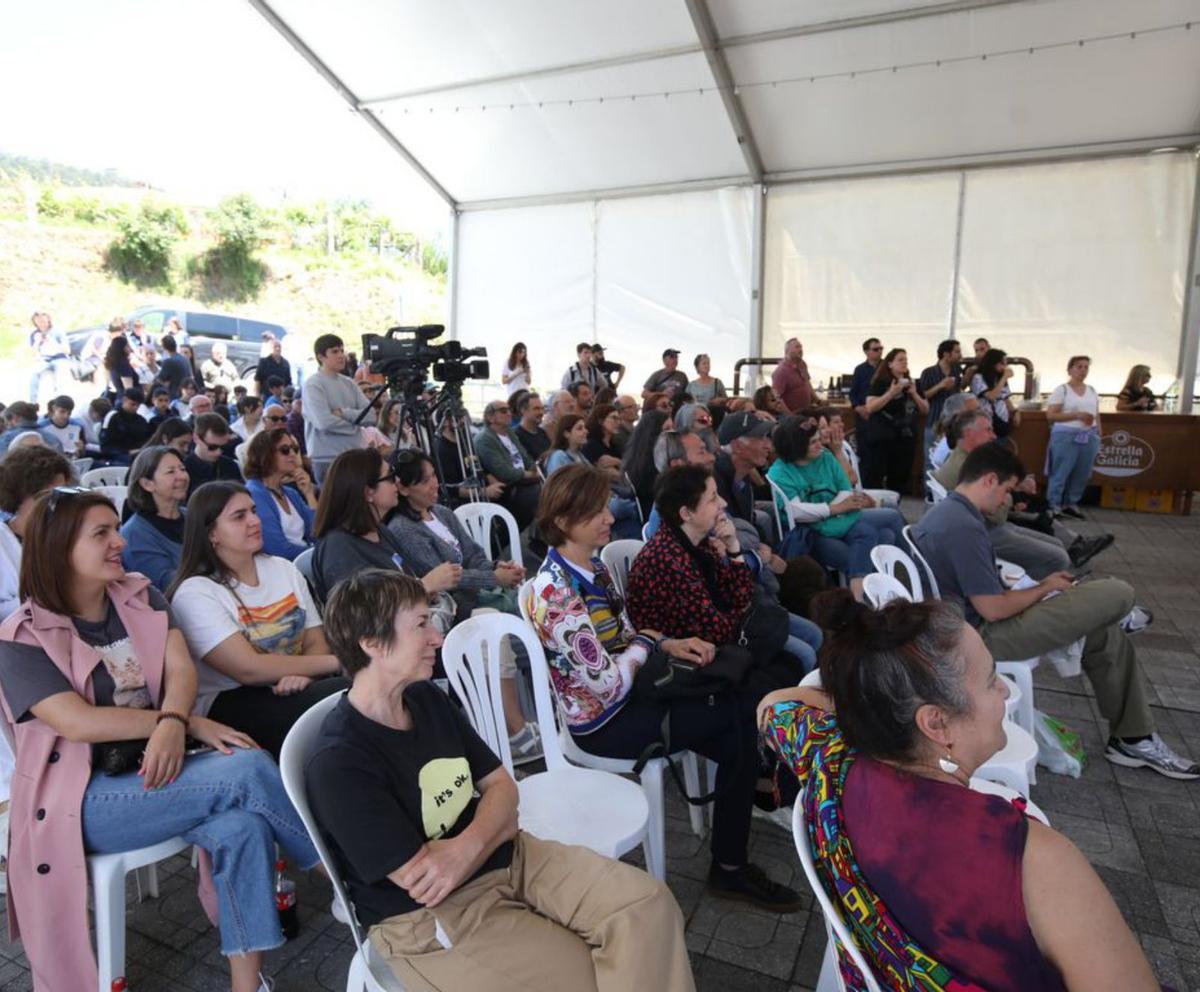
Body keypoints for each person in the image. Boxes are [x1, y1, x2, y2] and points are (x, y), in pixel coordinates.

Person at [758, 591, 1171, 992]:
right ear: (936, 724)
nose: (1006, 692)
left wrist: (870, 700)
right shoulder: (1032, 861)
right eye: (992, 681)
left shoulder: (830, 764)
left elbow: (773, 707)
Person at [305, 569, 695, 992]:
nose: (437, 636)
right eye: (420, 624)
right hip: (426, 922)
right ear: (373, 644)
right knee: (583, 974)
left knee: (648, 907)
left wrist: (468, 843)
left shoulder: (425, 698)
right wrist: (494, 824)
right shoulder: (339, 762)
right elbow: (425, 880)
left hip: (512, 858)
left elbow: (503, 787)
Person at [0, 486, 319, 992]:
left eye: (114, 529)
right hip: (81, 799)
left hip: (160, 764)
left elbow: (180, 668)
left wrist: (173, 719)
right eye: (100, 534)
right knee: (247, 767)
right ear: (60, 547)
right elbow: (77, 722)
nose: (118, 543)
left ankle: (248, 986)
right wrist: (181, 722)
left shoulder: (139, 594)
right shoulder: (22, 636)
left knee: (242, 826)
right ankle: (347, 876)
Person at [526, 465, 803, 911]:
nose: (609, 518)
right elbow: (609, 684)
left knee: (738, 725)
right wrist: (649, 642)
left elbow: (625, 632)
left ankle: (733, 859)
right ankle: (733, 860)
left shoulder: (589, 567)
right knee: (738, 716)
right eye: (595, 511)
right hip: (604, 723)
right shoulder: (555, 595)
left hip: (630, 695)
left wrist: (668, 642)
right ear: (561, 522)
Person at [913, 444, 1196, 778]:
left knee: (1102, 633)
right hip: (983, 637)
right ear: (990, 480)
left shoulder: (949, 514)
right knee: (1119, 591)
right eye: (1006, 490)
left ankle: (1134, 737)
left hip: (967, 627)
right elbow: (992, 609)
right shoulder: (963, 526)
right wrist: (1043, 589)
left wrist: (1034, 589)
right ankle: (1118, 611)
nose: (1006, 500)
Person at [168, 482, 347, 759]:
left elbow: (315, 638)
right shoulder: (195, 593)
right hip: (231, 701)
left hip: (294, 685)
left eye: (253, 511)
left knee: (358, 695)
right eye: (239, 517)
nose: (254, 520)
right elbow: (248, 669)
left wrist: (305, 673)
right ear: (211, 533)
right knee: (345, 695)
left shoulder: (283, 569)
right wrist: (342, 661)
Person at [386, 449, 541, 761]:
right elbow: (446, 577)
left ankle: (539, 705)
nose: (434, 485)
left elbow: (472, 554)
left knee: (535, 607)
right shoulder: (403, 529)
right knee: (516, 623)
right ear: (403, 488)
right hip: (460, 605)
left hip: (481, 591)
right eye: (425, 480)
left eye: (433, 477)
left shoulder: (442, 513)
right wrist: (493, 578)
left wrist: (500, 569)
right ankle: (518, 724)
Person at [628, 465, 822, 674]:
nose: (723, 503)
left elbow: (741, 596)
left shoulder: (699, 542)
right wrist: (740, 610)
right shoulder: (667, 560)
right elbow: (716, 632)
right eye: (712, 499)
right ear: (686, 513)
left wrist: (733, 547)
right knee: (805, 654)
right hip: (693, 657)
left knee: (813, 634)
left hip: (730, 626)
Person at [935, 410, 1112, 575]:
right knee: (1058, 557)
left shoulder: (967, 460)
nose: (994, 436)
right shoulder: (969, 468)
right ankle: (1034, 596)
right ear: (969, 434)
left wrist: (1009, 491)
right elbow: (997, 516)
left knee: (1058, 544)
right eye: (988, 430)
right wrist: (1012, 495)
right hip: (980, 533)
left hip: (980, 525)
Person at [768, 416, 906, 601]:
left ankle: (870, 593)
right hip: (812, 530)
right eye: (813, 442)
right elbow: (797, 512)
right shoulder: (780, 472)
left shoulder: (825, 457)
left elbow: (845, 488)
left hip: (839, 519)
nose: (820, 444)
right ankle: (876, 591)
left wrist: (835, 509)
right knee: (882, 535)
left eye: (818, 439)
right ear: (796, 446)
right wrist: (836, 508)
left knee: (886, 527)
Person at [0, 446, 72, 621]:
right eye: (46, 496)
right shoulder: (3, 542)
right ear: (18, 496)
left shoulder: (66, 533)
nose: (56, 504)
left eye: (61, 495)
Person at [303, 334, 371, 483]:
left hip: (355, 455)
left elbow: (371, 416)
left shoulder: (349, 383)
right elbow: (323, 422)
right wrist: (355, 424)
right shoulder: (313, 384)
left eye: (342, 350)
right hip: (328, 459)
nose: (341, 355)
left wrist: (344, 413)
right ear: (321, 357)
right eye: (334, 352)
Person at [858, 347, 928, 494]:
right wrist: (891, 393)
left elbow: (925, 409)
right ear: (890, 364)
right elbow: (870, 407)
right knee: (874, 478)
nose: (904, 363)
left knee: (899, 480)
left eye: (906, 360)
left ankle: (895, 507)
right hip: (882, 438)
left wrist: (914, 394)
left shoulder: (912, 383)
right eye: (900, 360)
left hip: (905, 438)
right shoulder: (880, 382)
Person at [120, 446, 189, 591]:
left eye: (182, 469)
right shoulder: (135, 535)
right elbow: (165, 585)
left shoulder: (193, 517)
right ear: (147, 484)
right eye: (171, 472)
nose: (182, 476)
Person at [243, 428, 316, 560]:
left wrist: (309, 493)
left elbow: (316, 532)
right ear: (266, 454)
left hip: (307, 559)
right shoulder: (254, 494)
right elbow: (278, 549)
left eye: (294, 449)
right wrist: (319, 553)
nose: (293, 454)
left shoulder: (290, 493)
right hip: (285, 567)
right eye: (285, 450)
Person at [472, 399, 542, 532]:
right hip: (509, 489)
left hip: (525, 481)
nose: (509, 413)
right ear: (490, 417)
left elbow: (526, 458)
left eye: (509, 410)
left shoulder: (510, 433)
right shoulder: (484, 439)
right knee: (542, 494)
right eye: (503, 411)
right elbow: (505, 473)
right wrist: (532, 474)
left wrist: (534, 469)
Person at [1045, 355, 1101, 520]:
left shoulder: (1091, 390)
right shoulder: (1062, 390)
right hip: (1066, 435)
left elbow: (1096, 413)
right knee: (1061, 470)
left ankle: (1071, 502)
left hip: (1089, 435)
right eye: (1079, 367)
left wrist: (1098, 433)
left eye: (1086, 367)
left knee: (1082, 472)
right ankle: (1053, 503)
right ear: (1070, 370)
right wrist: (1075, 415)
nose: (1083, 370)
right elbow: (1051, 415)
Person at [620, 408, 671, 519]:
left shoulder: (636, 459)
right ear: (654, 432)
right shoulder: (647, 467)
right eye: (667, 429)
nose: (672, 433)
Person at [917, 338, 963, 453]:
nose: (960, 355)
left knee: (952, 457)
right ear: (946, 354)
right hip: (934, 421)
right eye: (956, 352)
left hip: (953, 423)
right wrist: (940, 386)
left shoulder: (957, 370)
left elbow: (959, 390)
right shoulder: (928, 372)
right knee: (931, 457)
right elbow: (923, 395)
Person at [184, 412, 244, 498]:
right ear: (196, 438)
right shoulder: (185, 469)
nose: (218, 452)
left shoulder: (230, 465)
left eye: (224, 447)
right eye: (212, 447)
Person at [972, 347, 1019, 443]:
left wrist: (1014, 412)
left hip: (1002, 421)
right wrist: (1004, 377)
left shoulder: (1000, 379)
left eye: (1006, 364)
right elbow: (991, 396)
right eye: (1002, 363)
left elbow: (1005, 398)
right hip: (985, 422)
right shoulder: (978, 378)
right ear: (993, 363)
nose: (1004, 367)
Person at [100, 388, 153, 464]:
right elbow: (105, 446)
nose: (135, 408)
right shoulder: (112, 417)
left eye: (138, 405)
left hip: (139, 453)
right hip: (117, 456)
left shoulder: (140, 420)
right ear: (124, 400)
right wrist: (127, 452)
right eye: (133, 404)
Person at [27, 312, 71, 405]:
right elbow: (33, 353)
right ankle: (33, 403)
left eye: (43, 321)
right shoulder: (34, 334)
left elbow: (67, 350)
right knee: (34, 375)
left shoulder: (57, 332)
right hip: (44, 359)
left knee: (60, 378)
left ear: (48, 320)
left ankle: (60, 403)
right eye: (38, 321)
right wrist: (37, 342)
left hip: (60, 358)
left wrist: (52, 341)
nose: (41, 323)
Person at [770, 337, 813, 413]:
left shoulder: (802, 364)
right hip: (793, 415)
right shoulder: (781, 371)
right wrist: (790, 416)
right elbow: (777, 397)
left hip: (806, 412)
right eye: (797, 347)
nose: (800, 350)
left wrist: (818, 400)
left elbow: (807, 383)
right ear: (787, 351)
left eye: (801, 347)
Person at [582, 404, 624, 475]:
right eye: (614, 418)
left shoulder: (613, 445)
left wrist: (617, 461)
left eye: (619, 419)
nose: (618, 422)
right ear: (600, 421)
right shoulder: (591, 445)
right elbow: (615, 475)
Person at [849, 337, 882, 417]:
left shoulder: (888, 367)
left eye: (881, 348)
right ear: (866, 351)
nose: (880, 351)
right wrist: (857, 408)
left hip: (882, 411)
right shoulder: (859, 369)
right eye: (875, 349)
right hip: (864, 411)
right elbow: (853, 393)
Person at [513, 392, 551, 462]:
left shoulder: (542, 432)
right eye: (536, 409)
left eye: (542, 408)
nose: (541, 412)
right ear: (523, 411)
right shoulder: (515, 436)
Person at [155, 334, 191, 399]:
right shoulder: (184, 359)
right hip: (185, 393)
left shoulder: (168, 361)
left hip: (173, 394)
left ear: (164, 347)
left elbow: (160, 379)